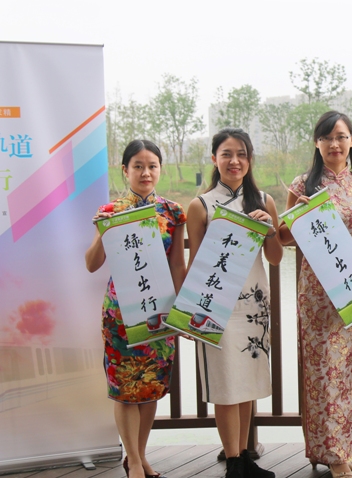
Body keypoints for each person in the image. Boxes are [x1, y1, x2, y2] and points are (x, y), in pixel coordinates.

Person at [277, 111, 352, 478]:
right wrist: (297, 215)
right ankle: (330, 453)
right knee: (320, 372)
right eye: (327, 137)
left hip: (351, 289)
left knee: (347, 371)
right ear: (317, 144)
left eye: (341, 136)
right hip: (316, 291)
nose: (334, 144)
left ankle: (342, 448)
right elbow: (282, 238)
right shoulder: (303, 185)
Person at [85, 139, 186, 478]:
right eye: (138, 166)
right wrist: (104, 230)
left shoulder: (173, 212)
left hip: (159, 312)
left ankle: (138, 457)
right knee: (125, 389)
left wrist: (183, 310)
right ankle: (135, 460)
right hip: (120, 315)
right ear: (124, 170)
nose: (145, 173)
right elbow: (91, 264)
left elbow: (177, 265)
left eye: (152, 166)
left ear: (160, 169)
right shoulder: (111, 211)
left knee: (150, 387)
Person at [186, 128, 281, 478]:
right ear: (214, 159)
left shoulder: (264, 201)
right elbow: (195, 263)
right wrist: (190, 314)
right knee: (225, 384)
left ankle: (243, 459)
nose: (234, 161)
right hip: (215, 306)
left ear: (250, 159)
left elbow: (275, 258)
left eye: (241, 154)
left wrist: (270, 229)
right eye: (226, 154)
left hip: (254, 307)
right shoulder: (200, 205)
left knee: (246, 383)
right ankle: (233, 462)